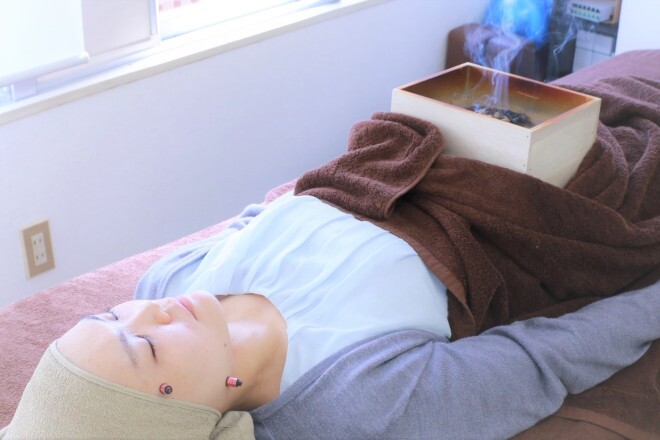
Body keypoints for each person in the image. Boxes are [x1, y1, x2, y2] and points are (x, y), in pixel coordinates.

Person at [2, 111, 659, 439]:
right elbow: (548, 358)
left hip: (410, 154)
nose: (146, 311)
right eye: (144, 347)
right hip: (504, 208)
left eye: (109, 315)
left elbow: (267, 213)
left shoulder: (166, 283)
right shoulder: (359, 401)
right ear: (189, 417)